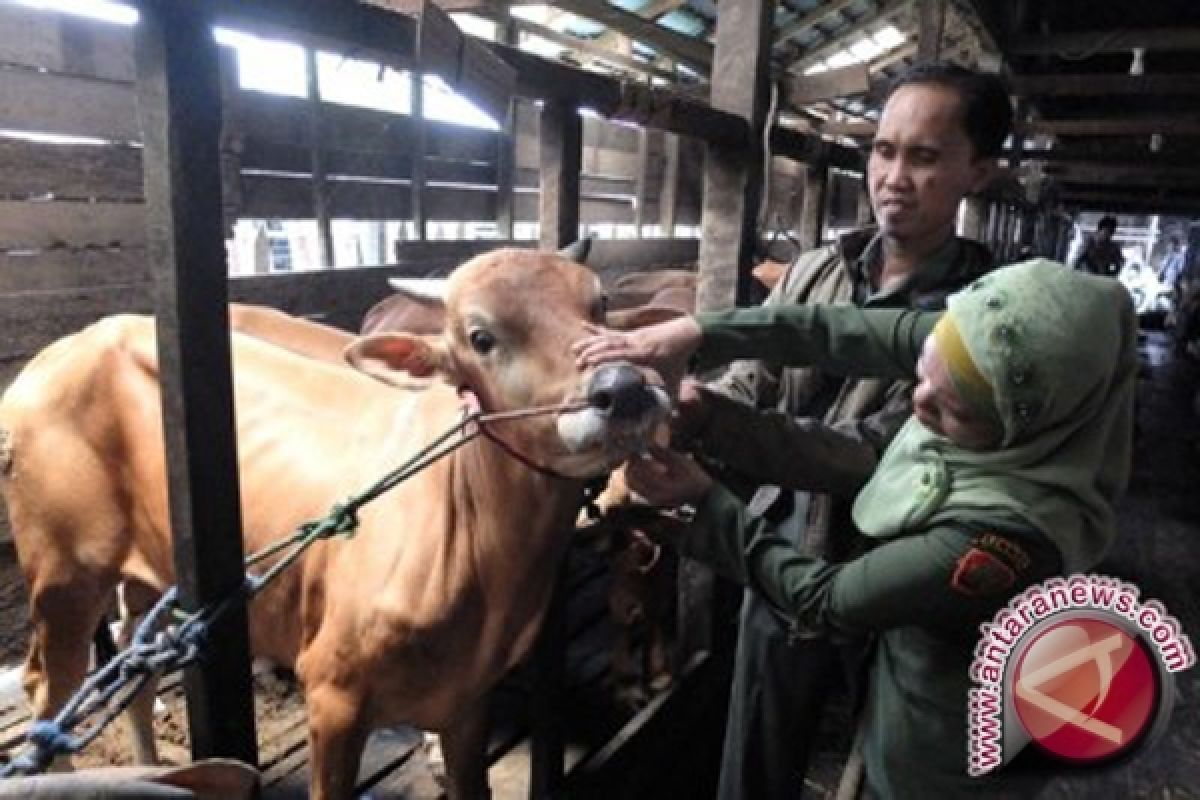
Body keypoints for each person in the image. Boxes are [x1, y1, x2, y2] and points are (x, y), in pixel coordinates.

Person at [573, 259, 1138, 796]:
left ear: (1021, 429)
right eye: (920, 374)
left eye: (952, 413)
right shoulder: (976, 339)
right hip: (894, 672)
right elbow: (836, 330)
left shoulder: (1002, 539)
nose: (917, 404)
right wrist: (696, 332)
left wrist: (705, 499)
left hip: (936, 751)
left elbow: (826, 600)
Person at [663, 62, 1011, 799]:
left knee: (890, 764)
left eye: (924, 157)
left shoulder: (985, 317)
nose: (893, 176)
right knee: (755, 755)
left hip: (899, 579)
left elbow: (872, 456)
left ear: (978, 170)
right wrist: (696, 401)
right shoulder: (818, 269)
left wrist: (712, 419)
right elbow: (753, 376)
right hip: (781, 548)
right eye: (884, 151)